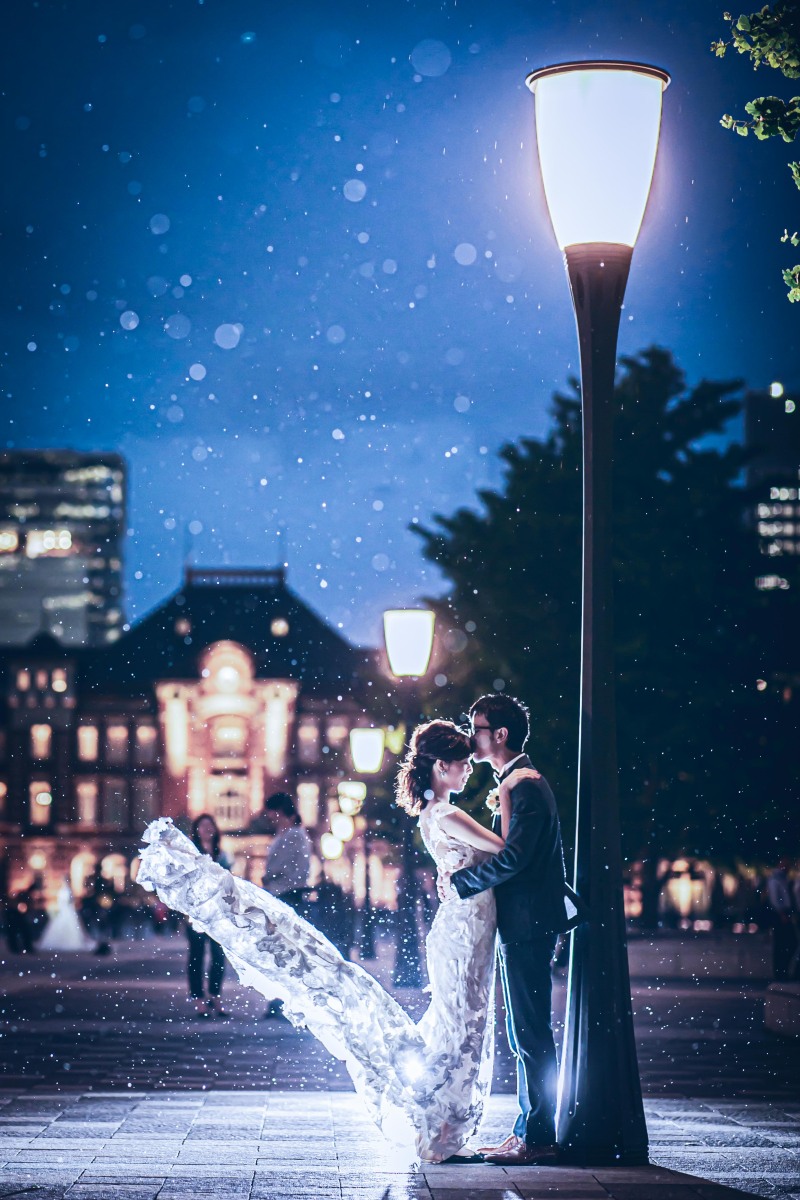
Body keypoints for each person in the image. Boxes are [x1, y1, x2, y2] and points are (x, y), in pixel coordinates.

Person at [138, 720, 523, 1164]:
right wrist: (505, 796)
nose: (469, 771)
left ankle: (438, 1123)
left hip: (461, 926)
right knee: (462, 1026)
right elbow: (508, 850)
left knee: (458, 1024)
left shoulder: (433, 814)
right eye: (462, 764)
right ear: (441, 766)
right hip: (465, 929)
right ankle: (439, 1125)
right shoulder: (448, 814)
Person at [440, 693, 569, 1167]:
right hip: (523, 921)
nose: (469, 736)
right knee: (524, 1031)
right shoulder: (516, 781)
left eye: (475, 727)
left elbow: (515, 858)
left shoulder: (526, 784)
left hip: (529, 922)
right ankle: (528, 1131)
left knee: (530, 1031)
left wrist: (462, 882)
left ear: (500, 734)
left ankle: (538, 1137)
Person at [260, 792, 313, 1017]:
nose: (270, 818)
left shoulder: (293, 835)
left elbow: (278, 867)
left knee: (284, 951)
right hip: (284, 896)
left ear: (279, 811)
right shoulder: (291, 834)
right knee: (283, 950)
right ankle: (282, 1001)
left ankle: (283, 1003)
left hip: (286, 896)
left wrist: (267, 877)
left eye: (271, 813)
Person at [187, 814, 232, 1017]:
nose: (207, 829)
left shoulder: (221, 855)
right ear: (196, 830)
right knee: (196, 956)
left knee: (218, 956)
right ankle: (199, 999)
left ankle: (215, 995)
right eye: (202, 826)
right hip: (196, 912)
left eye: (210, 825)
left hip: (218, 912)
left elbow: (228, 882)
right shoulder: (192, 854)